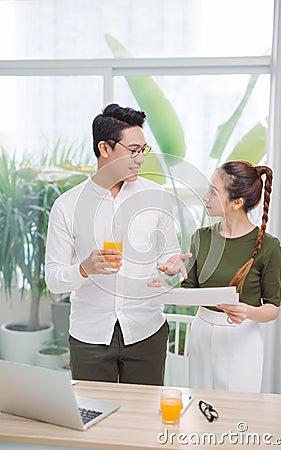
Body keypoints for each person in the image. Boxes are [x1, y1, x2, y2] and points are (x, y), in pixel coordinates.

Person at [45, 103, 191, 385]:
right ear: (104, 148)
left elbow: (169, 254)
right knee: (94, 417)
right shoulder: (67, 206)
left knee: (143, 420)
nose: (140, 159)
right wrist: (85, 268)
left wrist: (172, 265)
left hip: (146, 332)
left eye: (143, 151)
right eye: (133, 150)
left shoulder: (156, 197)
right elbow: (53, 280)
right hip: (90, 337)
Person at [155, 161, 281, 392]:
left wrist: (248, 312)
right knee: (201, 408)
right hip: (201, 333)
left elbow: (273, 307)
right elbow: (189, 292)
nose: (205, 198)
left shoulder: (269, 247)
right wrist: (166, 286)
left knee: (237, 411)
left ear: (237, 202)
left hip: (242, 339)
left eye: (213, 193)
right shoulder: (201, 238)